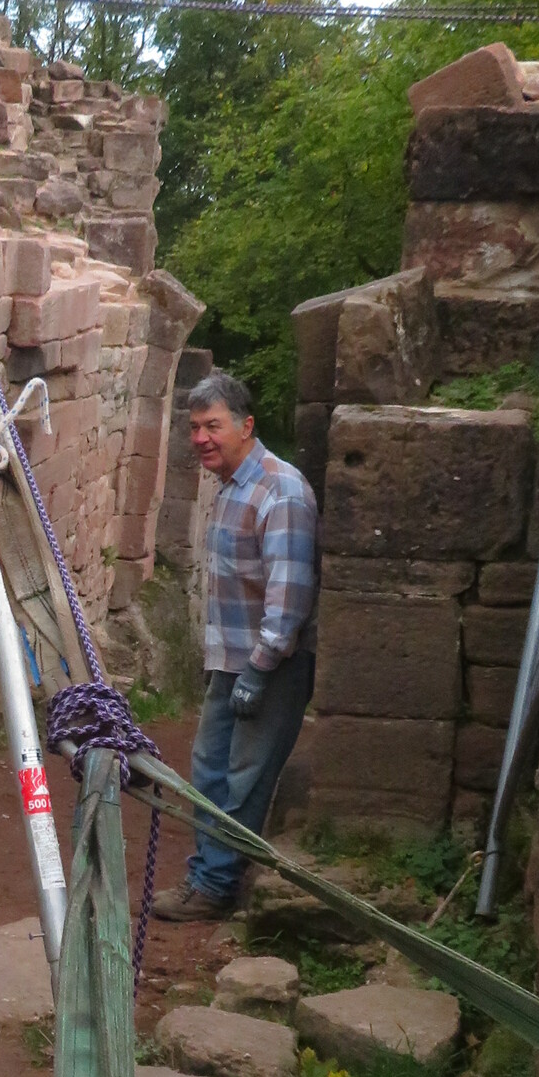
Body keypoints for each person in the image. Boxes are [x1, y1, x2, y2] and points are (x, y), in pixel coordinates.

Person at [153, 371, 319, 923]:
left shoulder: (280, 491)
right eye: (195, 427)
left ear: (246, 426)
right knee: (209, 769)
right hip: (231, 661)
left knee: (244, 777)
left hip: (270, 667)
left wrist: (261, 668)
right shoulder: (230, 487)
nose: (201, 438)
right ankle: (211, 874)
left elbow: (289, 595)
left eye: (213, 426)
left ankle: (215, 886)